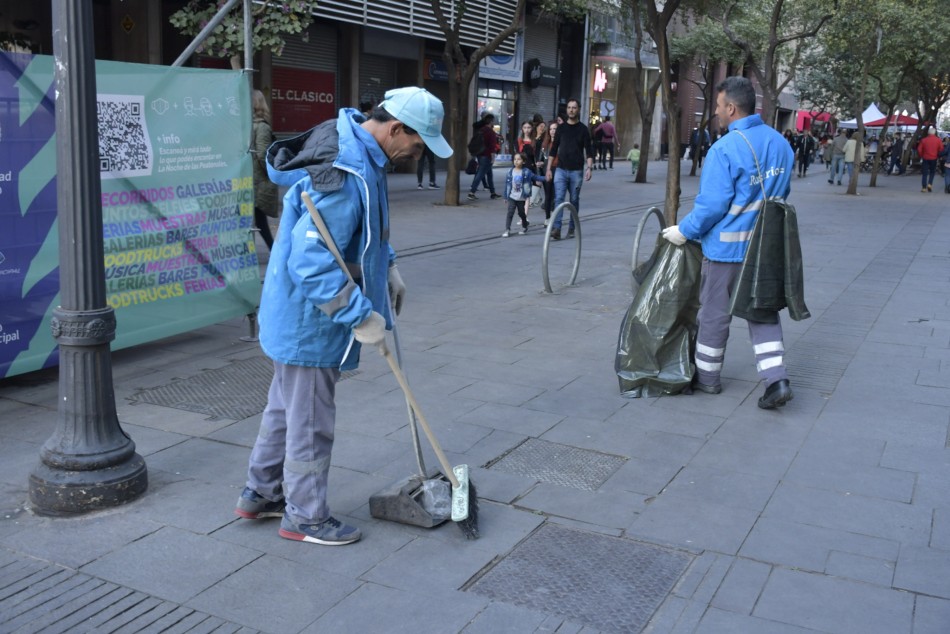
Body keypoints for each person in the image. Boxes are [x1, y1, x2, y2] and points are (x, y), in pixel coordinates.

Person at [234, 86, 452, 545]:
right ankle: (305, 516)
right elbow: (312, 263)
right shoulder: (346, 171)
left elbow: (365, 228)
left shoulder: (359, 151)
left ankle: (261, 492)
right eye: (417, 145)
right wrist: (358, 315)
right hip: (309, 321)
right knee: (311, 420)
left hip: (297, 315)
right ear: (396, 129)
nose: (417, 155)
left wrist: (387, 265)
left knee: (285, 408)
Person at [661, 76, 794, 409]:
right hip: (765, 250)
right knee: (762, 313)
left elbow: (713, 206)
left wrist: (685, 230)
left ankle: (707, 377)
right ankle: (776, 380)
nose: (717, 112)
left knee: (715, 315)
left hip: (726, 251)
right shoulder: (781, 144)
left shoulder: (724, 148)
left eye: (719, 106)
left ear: (731, 108)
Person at [545, 98, 594, 240]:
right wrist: (549, 169)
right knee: (559, 198)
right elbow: (553, 150)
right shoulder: (561, 129)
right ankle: (557, 228)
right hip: (560, 169)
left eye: (574, 107)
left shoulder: (583, 129)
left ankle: (572, 227)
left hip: (576, 171)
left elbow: (589, 151)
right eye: (569, 107)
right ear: (566, 110)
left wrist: (589, 168)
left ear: (578, 109)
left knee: (574, 199)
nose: (571, 110)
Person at [251, 90, 278, 251]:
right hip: (257, 180)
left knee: (258, 219)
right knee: (259, 218)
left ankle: (273, 249)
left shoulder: (245, 125)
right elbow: (262, 154)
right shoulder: (261, 127)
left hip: (247, 179)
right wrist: (271, 174)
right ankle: (274, 250)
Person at [502, 152, 546, 237]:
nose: (516, 161)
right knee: (510, 212)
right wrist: (505, 196)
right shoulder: (510, 172)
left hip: (521, 198)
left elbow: (536, 177)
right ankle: (507, 229)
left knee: (521, 213)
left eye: (519, 159)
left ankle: (525, 225)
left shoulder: (527, 172)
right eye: (515, 159)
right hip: (512, 196)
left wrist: (546, 178)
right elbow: (507, 185)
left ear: (524, 161)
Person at [467, 113, 501, 200]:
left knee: (489, 174)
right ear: (491, 122)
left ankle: (493, 193)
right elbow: (492, 147)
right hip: (487, 156)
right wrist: (493, 158)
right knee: (480, 174)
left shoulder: (480, 130)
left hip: (480, 154)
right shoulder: (491, 132)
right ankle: (472, 192)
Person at [539, 120, 558, 226]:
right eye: (551, 129)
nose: (552, 131)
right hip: (547, 170)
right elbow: (541, 158)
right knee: (548, 195)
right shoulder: (546, 143)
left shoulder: (561, 142)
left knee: (556, 195)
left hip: (558, 170)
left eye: (555, 129)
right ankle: (547, 217)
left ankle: (555, 217)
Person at [917, 126, 943, 192]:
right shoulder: (938, 140)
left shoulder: (924, 140)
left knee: (925, 173)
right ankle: (930, 184)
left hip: (925, 157)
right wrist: (938, 155)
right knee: (932, 172)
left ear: (928, 133)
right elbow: (941, 149)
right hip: (934, 158)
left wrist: (921, 155)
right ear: (935, 133)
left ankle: (923, 187)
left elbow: (919, 149)